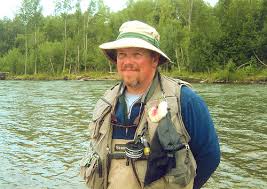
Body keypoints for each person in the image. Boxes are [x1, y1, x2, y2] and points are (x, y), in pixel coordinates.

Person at [80, 20, 220, 189]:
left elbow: (210, 157)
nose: (127, 61)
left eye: (136, 54)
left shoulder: (184, 99)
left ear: (154, 59)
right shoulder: (106, 102)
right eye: (122, 54)